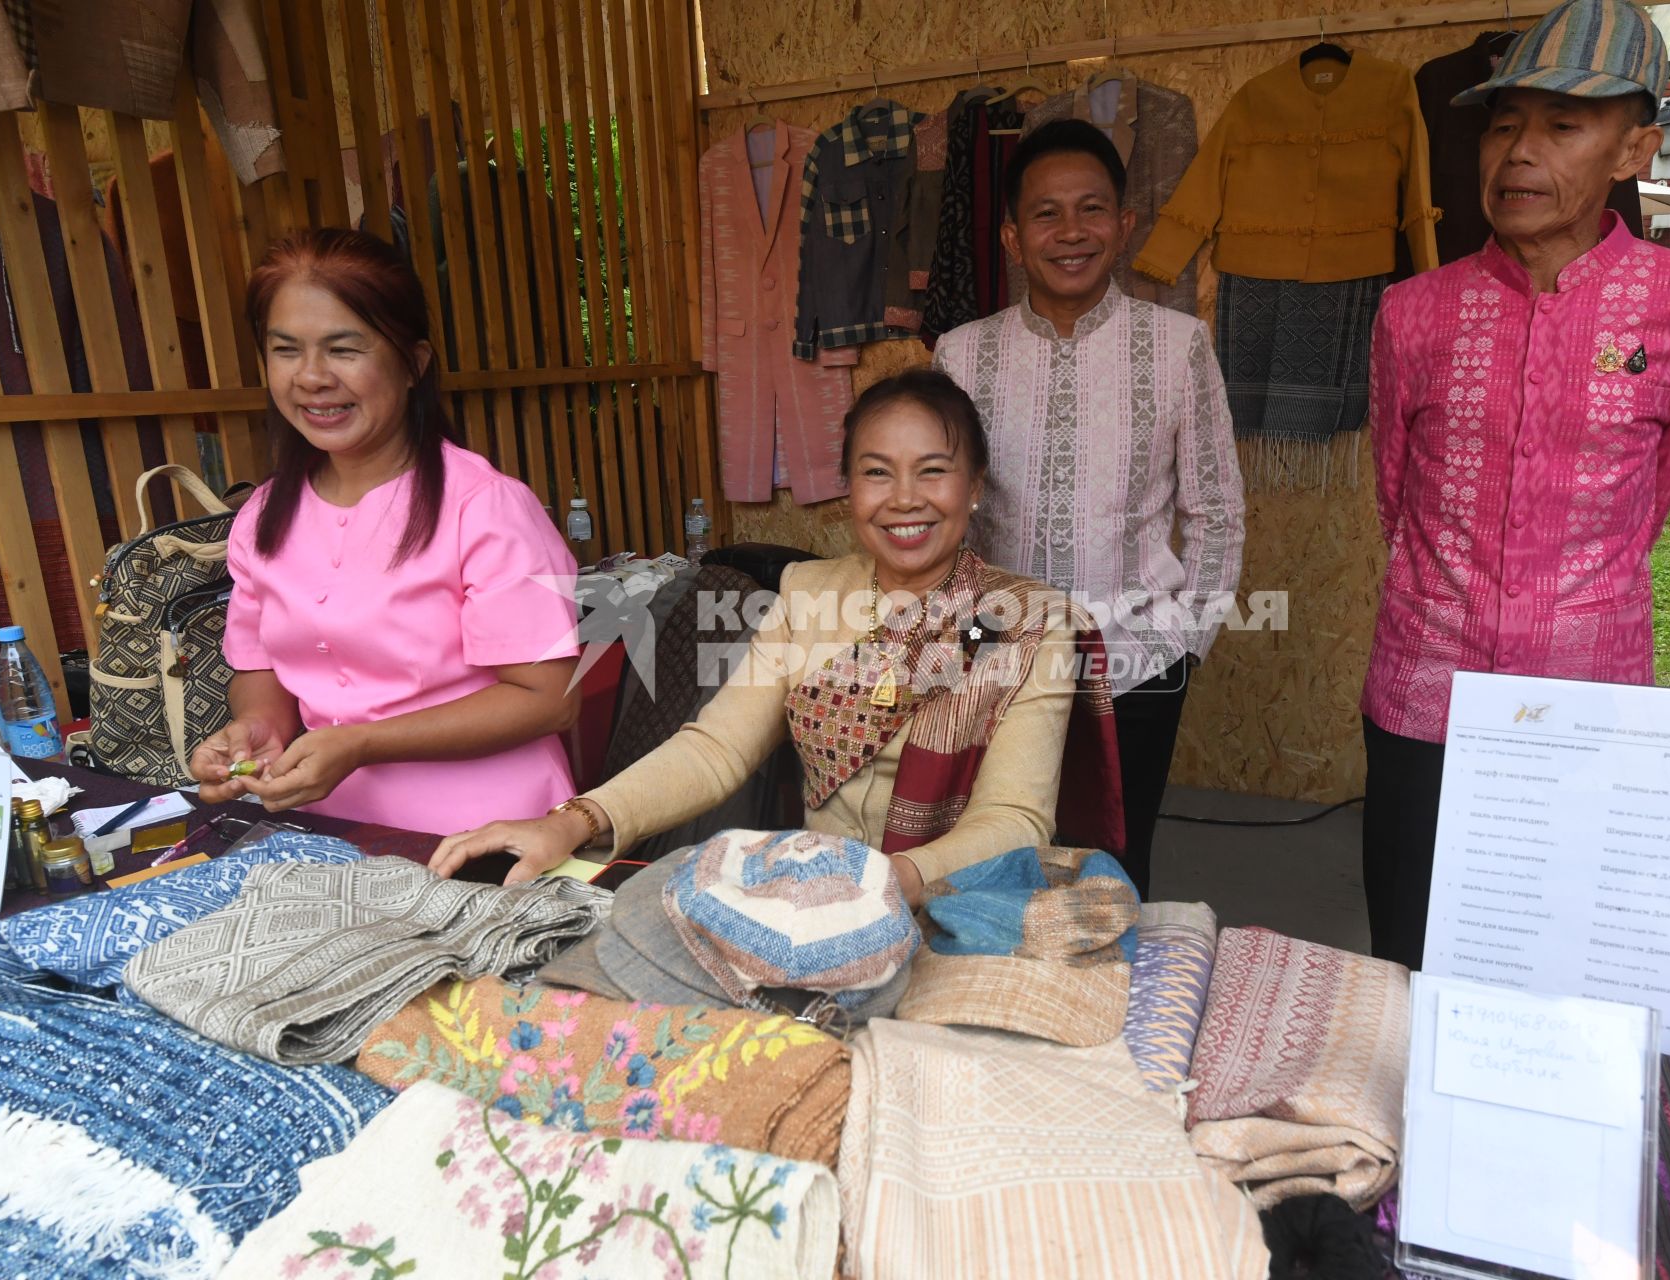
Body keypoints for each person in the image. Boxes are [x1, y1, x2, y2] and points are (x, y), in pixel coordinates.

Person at [1361, 0, 1670, 968]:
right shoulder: (1416, 312)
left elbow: (1657, 490)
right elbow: (1394, 493)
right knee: (1409, 953)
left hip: (1590, 701)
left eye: (1562, 125)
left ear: (1634, 148)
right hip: (1423, 696)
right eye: (1502, 124)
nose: (1518, 153)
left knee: (1561, 961)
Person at [432, 369, 1090, 901]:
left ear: (974, 488)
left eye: (933, 470)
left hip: (959, 911)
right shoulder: (807, 595)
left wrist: (893, 886)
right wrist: (570, 822)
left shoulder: (1032, 622)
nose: (904, 498)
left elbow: (1016, 820)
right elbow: (715, 750)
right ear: (850, 488)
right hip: (816, 908)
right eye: (877, 471)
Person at [932, 119, 1244, 900]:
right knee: (993, 862)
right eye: (1046, 213)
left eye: (1092, 209)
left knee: (1113, 871)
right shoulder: (960, 353)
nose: (1071, 233)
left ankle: (1111, 1014)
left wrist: (1185, 639)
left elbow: (1217, 507)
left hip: (1138, 660)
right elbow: (941, 512)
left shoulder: (1178, 346)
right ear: (1011, 236)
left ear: (1125, 224)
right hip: (996, 657)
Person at [189, 228, 583, 835]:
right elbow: (259, 668)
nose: (312, 377)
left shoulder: (485, 507)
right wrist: (258, 730)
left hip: (490, 834)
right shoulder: (262, 516)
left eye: (344, 349)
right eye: (286, 350)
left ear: (413, 364)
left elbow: (550, 698)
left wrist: (360, 744)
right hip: (327, 829)